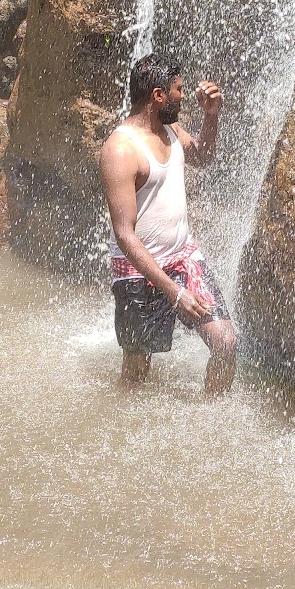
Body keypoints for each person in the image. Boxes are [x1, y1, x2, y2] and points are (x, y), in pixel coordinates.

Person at [99, 54, 237, 394]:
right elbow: (124, 234)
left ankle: (210, 420)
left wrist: (211, 116)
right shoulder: (120, 150)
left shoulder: (171, 128)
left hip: (183, 258)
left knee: (226, 343)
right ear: (158, 95)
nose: (183, 95)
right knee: (136, 375)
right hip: (137, 271)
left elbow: (202, 156)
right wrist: (173, 292)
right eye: (178, 89)